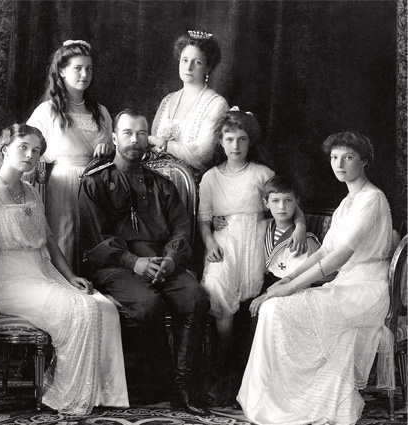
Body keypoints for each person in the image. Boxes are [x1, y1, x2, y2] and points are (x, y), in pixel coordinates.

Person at [0, 124, 128, 414]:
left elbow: (48, 240)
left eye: (36, 151)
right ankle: (69, 395)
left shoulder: (31, 190)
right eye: (23, 147)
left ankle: (104, 395)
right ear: (5, 147)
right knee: (82, 310)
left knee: (104, 307)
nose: (31, 154)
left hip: (45, 272)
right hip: (13, 281)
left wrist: (71, 277)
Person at [239, 131, 394, 425]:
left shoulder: (371, 199)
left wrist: (289, 289)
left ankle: (298, 401)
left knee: (275, 308)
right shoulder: (349, 201)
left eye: (348, 157)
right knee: (274, 307)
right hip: (347, 285)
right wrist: (286, 282)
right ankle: (283, 398)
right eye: (335, 157)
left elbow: (340, 257)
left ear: (365, 161)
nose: (339, 164)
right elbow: (324, 251)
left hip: (366, 291)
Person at [78, 109, 211, 416]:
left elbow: (181, 230)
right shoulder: (95, 184)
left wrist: (171, 260)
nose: (135, 140)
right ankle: (161, 379)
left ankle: (182, 386)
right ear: (114, 138)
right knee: (149, 305)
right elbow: (95, 240)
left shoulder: (164, 185)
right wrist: (133, 261)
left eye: (141, 134)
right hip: (115, 266)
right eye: (127, 133)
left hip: (162, 262)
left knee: (196, 298)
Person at [198, 109, 307, 407]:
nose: (236, 146)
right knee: (217, 288)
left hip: (258, 238)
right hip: (225, 239)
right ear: (220, 142)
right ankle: (224, 361)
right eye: (229, 139)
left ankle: (246, 370)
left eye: (242, 139)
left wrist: (300, 226)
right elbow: (203, 220)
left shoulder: (262, 173)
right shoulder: (210, 178)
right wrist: (209, 242)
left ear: (249, 142)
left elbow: (288, 203)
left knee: (257, 297)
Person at [27, 40, 114, 271]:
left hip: (96, 183)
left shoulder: (101, 112)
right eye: (78, 68)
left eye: (89, 68)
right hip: (62, 184)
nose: (84, 74)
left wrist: (105, 153)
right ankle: (66, 284)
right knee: (64, 235)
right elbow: (28, 147)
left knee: (93, 237)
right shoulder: (48, 111)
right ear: (62, 71)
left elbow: (111, 153)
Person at [149, 30, 229, 175]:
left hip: (192, 184)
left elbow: (204, 154)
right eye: (184, 60)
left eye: (197, 62)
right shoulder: (168, 100)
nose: (188, 67)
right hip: (157, 180)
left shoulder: (217, 104)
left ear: (208, 67)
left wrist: (164, 145)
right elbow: (152, 142)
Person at [260, 175, 321, 292]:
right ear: (266, 203)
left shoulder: (302, 240)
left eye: (288, 200)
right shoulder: (266, 227)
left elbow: (298, 282)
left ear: (296, 202)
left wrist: (265, 295)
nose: (282, 207)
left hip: (291, 288)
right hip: (268, 284)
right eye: (275, 201)